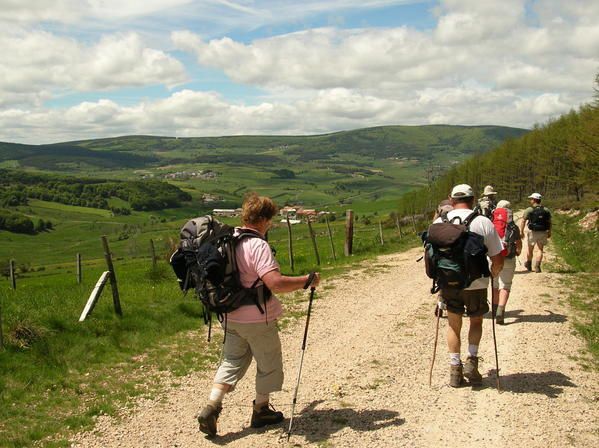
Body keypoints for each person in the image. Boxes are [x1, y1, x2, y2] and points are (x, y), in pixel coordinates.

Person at [197, 193, 320, 437]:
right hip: (257, 318)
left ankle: (212, 405)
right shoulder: (257, 245)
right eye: (270, 219)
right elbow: (274, 283)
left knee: (232, 360)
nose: (271, 224)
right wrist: (307, 281)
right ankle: (261, 410)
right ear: (263, 219)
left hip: (229, 315)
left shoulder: (227, 239)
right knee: (268, 363)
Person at [434, 184, 503, 387]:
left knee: (453, 325)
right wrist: (493, 274)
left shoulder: (439, 221)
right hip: (476, 282)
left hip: (449, 282)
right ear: (473, 199)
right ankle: (472, 360)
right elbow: (497, 257)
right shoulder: (482, 222)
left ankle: (455, 370)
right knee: (476, 321)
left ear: (451, 199)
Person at [491, 200, 522, 325]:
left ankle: (493, 309)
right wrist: (518, 251)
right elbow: (519, 244)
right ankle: (500, 310)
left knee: (494, 284)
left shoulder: (491, 224)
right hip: (509, 257)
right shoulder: (514, 226)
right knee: (506, 285)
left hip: (493, 257)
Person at [520, 193, 551, 273]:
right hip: (543, 231)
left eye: (531, 199)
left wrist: (521, 231)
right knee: (540, 249)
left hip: (532, 232)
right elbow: (549, 222)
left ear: (534, 200)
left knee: (530, 249)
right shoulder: (546, 210)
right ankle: (537, 266)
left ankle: (529, 264)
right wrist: (549, 231)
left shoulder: (529, 209)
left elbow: (523, 220)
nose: (530, 200)